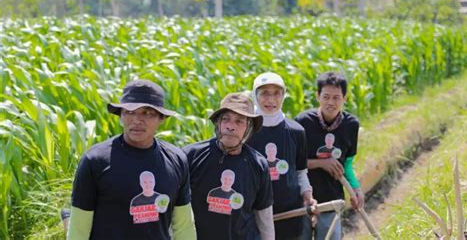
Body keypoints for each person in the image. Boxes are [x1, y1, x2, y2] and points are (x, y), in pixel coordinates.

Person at [67, 79, 196, 240]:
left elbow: (184, 226)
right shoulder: (95, 161)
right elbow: (78, 228)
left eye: (147, 113)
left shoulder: (176, 159)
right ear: (120, 115)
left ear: (161, 118)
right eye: (129, 112)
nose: (137, 120)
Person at [184, 92, 275, 240]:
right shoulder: (191, 156)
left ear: (249, 127)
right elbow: (176, 208)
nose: (231, 127)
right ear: (218, 123)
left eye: (239, 121)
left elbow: (263, 215)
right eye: (226, 119)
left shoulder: (258, 164)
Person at [246, 72, 317, 240]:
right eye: (265, 93)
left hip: (290, 213)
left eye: (276, 93)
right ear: (255, 95)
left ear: (283, 96)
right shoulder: (246, 131)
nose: (271, 99)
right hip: (253, 215)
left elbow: (301, 172)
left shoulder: (296, 131)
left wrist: (308, 196)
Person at [296, 71, 364, 240]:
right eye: (326, 97)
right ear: (318, 96)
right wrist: (321, 163)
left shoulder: (351, 125)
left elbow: (347, 164)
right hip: (301, 199)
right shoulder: (302, 122)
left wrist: (355, 189)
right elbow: (292, 163)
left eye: (336, 97)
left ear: (345, 98)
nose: (330, 102)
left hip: (331, 198)